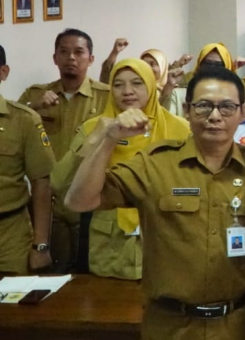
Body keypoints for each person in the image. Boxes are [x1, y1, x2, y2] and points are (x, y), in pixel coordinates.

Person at [64, 66, 245, 340]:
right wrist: (109, 138)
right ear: (188, 110)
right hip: (171, 327)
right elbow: (79, 200)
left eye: (226, 107)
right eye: (205, 106)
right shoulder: (155, 164)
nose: (215, 116)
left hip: (238, 326)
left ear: (244, 111)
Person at [50, 59, 189, 280]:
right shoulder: (94, 127)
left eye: (137, 83)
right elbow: (59, 182)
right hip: (109, 246)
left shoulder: (179, 128)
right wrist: (98, 137)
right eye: (118, 85)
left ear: (152, 87)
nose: (127, 92)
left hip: (164, 243)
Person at [19, 29, 110, 271]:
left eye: (79, 52)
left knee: (89, 274)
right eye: (64, 51)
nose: (71, 57)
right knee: (50, 274)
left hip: (89, 198)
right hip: (47, 202)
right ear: (54, 58)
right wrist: (33, 107)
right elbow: (9, 125)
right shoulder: (35, 94)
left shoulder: (106, 97)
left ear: (91, 59)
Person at [0, 44, 55, 274]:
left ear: (3, 72)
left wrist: (40, 246)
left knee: (13, 307)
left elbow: (43, 183)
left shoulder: (23, 120)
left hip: (9, 234)